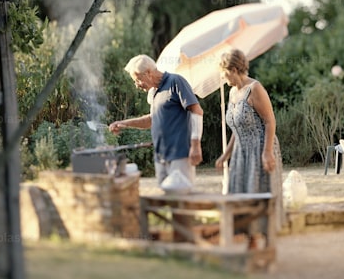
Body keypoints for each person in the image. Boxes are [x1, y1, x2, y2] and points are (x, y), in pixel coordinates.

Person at [214, 48, 282, 243]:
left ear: (235, 69)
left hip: (260, 150)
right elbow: (237, 128)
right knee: (242, 197)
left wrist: (267, 153)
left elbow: (270, 121)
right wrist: (225, 155)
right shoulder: (232, 93)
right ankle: (251, 240)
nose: (223, 77)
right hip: (240, 154)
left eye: (224, 73)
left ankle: (267, 244)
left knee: (259, 196)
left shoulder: (255, 88)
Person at [109, 54, 204, 186]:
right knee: (165, 201)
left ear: (148, 73)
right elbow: (152, 120)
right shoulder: (153, 92)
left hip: (180, 154)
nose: (137, 86)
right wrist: (124, 123)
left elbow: (197, 111)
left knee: (181, 198)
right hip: (160, 157)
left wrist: (195, 145)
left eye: (137, 80)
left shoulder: (176, 82)